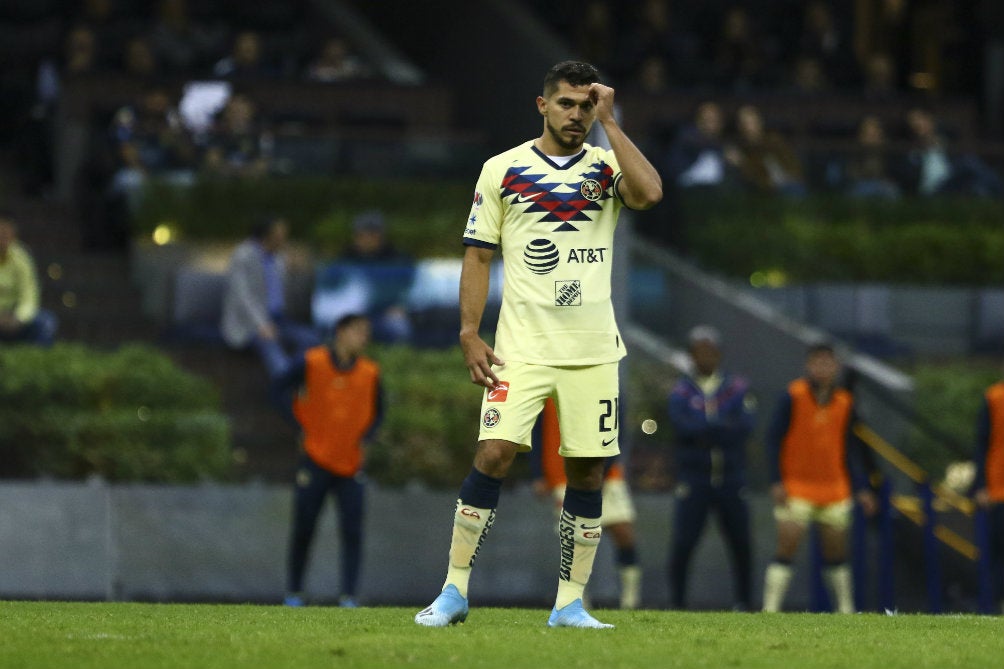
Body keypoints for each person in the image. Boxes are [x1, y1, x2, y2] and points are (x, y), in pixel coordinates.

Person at [414, 60, 662, 629]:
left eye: (586, 105)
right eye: (567, 104)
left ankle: (569, 603)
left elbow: (649, 193)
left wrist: (613, 121)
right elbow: (478, 255)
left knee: (588, 472)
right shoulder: (502, 170)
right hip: (520, 348)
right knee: (494, 453)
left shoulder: (605, 169)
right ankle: (452, 591)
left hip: (594, 350)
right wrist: (469, 332)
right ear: (542, 105)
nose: (577, 115)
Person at [273, 313, 383, 608]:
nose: (363, 338)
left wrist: (367, 438)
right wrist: (298, 426)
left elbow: (378, 412)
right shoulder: (312, 362)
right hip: (315, 458)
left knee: (352, 530)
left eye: (366, 332)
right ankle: (294, 592)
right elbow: (278, 389)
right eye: (358, 331)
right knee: (304, 526)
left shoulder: (370, 372)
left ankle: (348, 595)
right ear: (341, 332)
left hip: (351, 463)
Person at [762, 341, 878, 613]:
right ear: (808, 365)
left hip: (834, 486)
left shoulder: (845, 402)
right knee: (787, 544)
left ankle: (845, 609)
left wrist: (861, 487)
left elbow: (850, 447)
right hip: (797, 485)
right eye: (818, 362)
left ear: (835, 367)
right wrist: (776, 480)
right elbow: (772, 439)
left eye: (828, 363)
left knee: (836, 551)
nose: (823, 368)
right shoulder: (793, 395)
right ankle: (770, 609)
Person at [666, 325, 755, 610]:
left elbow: (744, 427)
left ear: (718, 354)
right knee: (683, 543)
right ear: (691, 355)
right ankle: (677, 604)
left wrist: (704, 430)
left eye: (710, 351)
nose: (705, 357)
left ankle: (744, 602)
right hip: (694, 479)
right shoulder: (680, 390)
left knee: (741, 543)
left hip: (731, 478)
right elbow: (681, 427)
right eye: (699, 351)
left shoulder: (736, 387)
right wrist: (718, 427)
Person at [531, 398, 642, 610]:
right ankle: (579, 600)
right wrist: (538, 473)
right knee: (575, 538)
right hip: (564, 473)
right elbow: (536, 430)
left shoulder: (602, 373)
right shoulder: (547, 380)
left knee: (623, 530)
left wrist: (606, 465)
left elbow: (618, 426)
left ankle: (631, 600)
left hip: (607, 473)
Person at [220, 216, 320, 378]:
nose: (285, 238)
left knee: (311, 339)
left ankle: (293, 376)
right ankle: (285, 385)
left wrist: (296, 269)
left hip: (278, 319)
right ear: (267, 236)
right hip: (250, 324)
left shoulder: (277, 257)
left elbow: (281, 290)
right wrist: (261, 325)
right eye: (281, 234)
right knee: (271, 348)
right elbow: (241, 296)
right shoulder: (243, 255)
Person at [0, 213, 58, 346]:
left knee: (47, 321)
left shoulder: (21, 257)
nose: (2, 239)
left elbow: (30, 294)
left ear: (13, 237)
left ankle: (35, 361)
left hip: (14, 315)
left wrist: (19, 318)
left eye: (6, 234)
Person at [973, 377, 1004, 614]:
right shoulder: (994, 396)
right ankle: (995, 608)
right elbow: (981, 442)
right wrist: (980, 485)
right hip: (998, 490)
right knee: (997, 554)